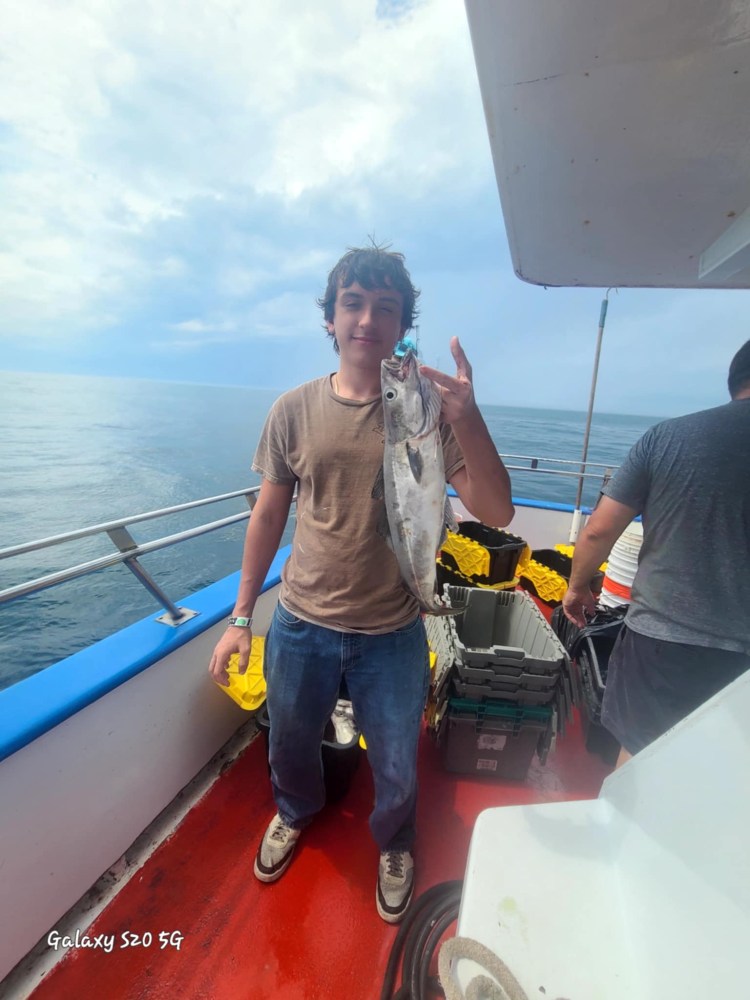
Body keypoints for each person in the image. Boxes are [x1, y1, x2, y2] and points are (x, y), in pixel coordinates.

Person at [208, 244, 514, 922]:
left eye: (385, 307)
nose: (367, 319)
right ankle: (294, 812)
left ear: (404, 323)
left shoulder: (430, 413)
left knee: (400, 761)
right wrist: (237, 618)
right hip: (301, 621)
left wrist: (467, 416)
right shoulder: (293, 409)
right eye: (353, 303)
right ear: (330, 319)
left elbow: (497, 511)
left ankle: (395, 842)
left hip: (392, 629)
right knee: (289, 741)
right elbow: (268, 513)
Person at [562, 339, 750, 769]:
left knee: (642, 756)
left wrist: (577, 590)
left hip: (665, 643)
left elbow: (597, 532)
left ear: (734, 380)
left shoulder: (668, 438)